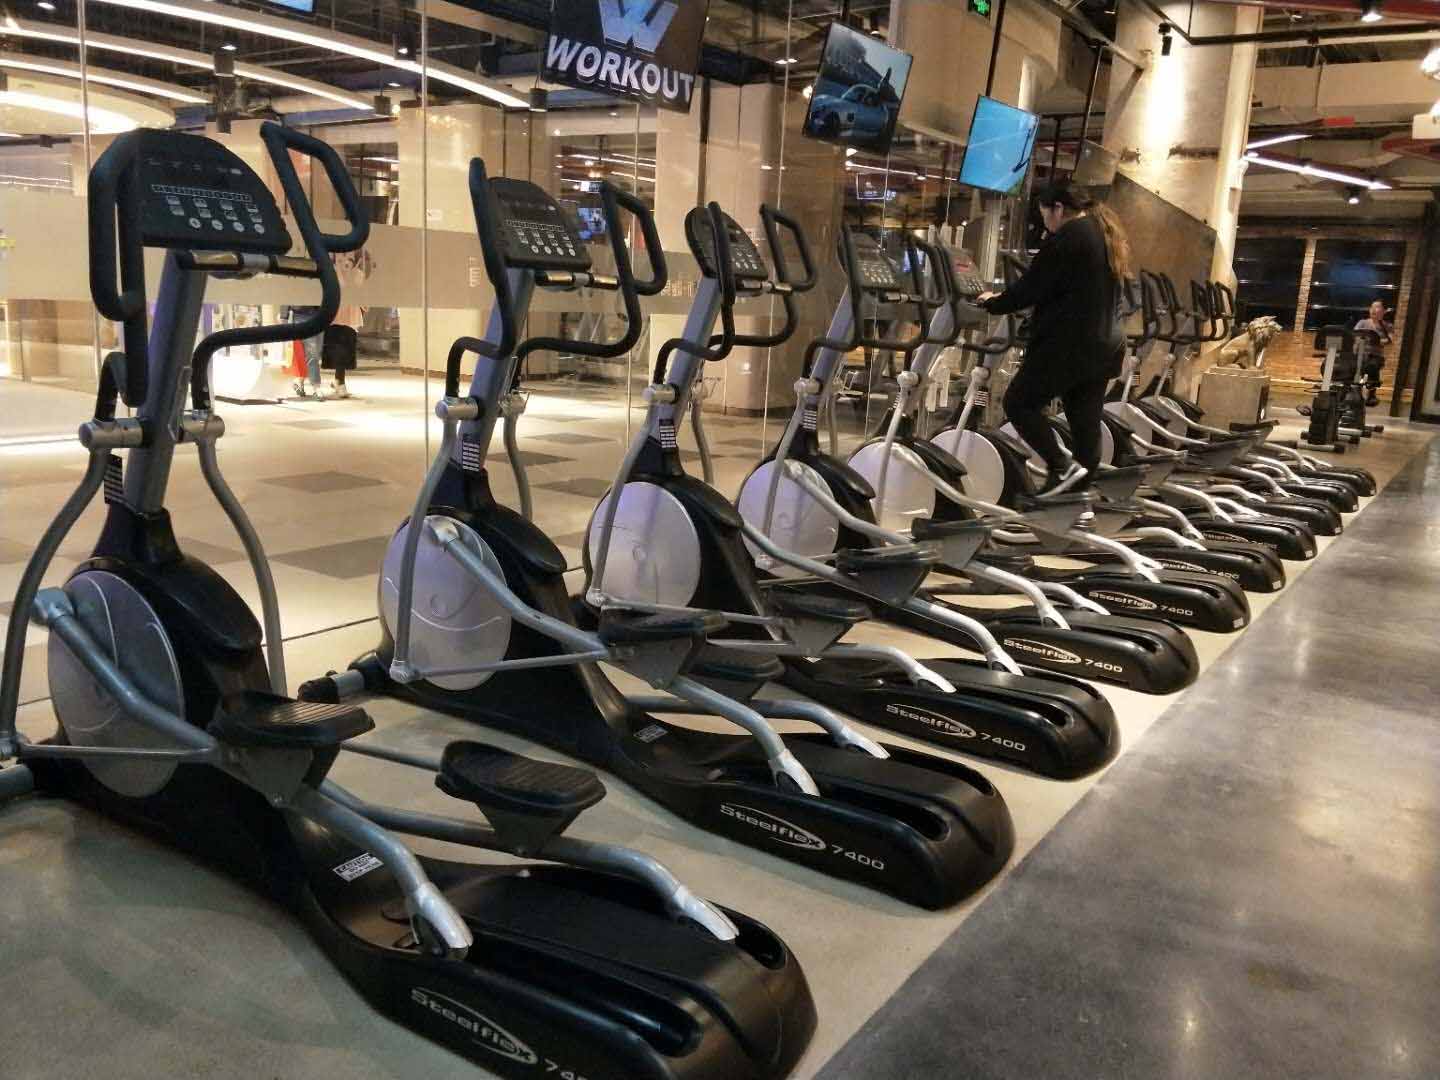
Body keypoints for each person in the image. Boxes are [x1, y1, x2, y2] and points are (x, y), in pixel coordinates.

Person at [977, 179, 1131, 498]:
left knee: (1019, 403)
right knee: (1084, 420)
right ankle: (1075, 496)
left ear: (1058, 209)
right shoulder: (1104, 234)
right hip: (1104, 346)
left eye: (1044, 215)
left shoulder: (1070, 236)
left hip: (1069, 344)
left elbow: (1032, 287)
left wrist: (993, 302)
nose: (1045, 224)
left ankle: (1061, 466)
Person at [1353, 299, 1392, 407]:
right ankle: (1356, 394)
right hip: (1360, 354)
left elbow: (1389, 340)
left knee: (1373, 366)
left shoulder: (1387, 326)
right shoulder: (1362, 322)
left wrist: (1377, 340)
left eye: (1377, 307)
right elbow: (1354, 334)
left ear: (1384, 311)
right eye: (1372, 307)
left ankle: (1371, 395)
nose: (1373, 309)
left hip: (1375, 356)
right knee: (1355, 368)